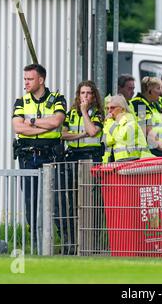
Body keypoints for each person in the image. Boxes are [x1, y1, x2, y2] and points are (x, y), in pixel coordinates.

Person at [12, 63, 67, 245]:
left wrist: (33, 122)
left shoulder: (58, 98)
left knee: (57, 200)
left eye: (30, 79)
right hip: (28, 156)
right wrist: (44, 124)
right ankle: (37, 243)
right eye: (25, 79)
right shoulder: (21, 100)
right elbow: (17, 126)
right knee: (31, 201)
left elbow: (57, 122)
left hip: (51, 155)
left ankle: (65, 243)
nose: (26, 83)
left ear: (41, 80)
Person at [60, 80, 104, 254]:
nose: (85, 96)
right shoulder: (70, 114)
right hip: (72, 159)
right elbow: (62, 134)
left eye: (88, 93)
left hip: (90, 159)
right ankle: (73, 244)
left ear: (94, 96)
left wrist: (85, 113)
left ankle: (92, 244)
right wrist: (81, 134)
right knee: (72, 203)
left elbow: (93, 132)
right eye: (82, 93)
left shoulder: (98, 113)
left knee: (91, 204)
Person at [130, 77, 162, 158]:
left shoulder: (154, 104)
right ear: (149, 90)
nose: (160, 92)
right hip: (147, 150)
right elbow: (149, 133)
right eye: (158, 88)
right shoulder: (140, 105)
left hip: (158, 146)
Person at [102, 95, 153, 163]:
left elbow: (120, 137)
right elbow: (108, 141)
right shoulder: (112, 123)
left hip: (134, 163)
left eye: (112, 108)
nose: (109, 111)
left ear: (122, 109)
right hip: (117, 163)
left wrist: (109, 122)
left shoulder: (129, 121)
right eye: (107, 108)